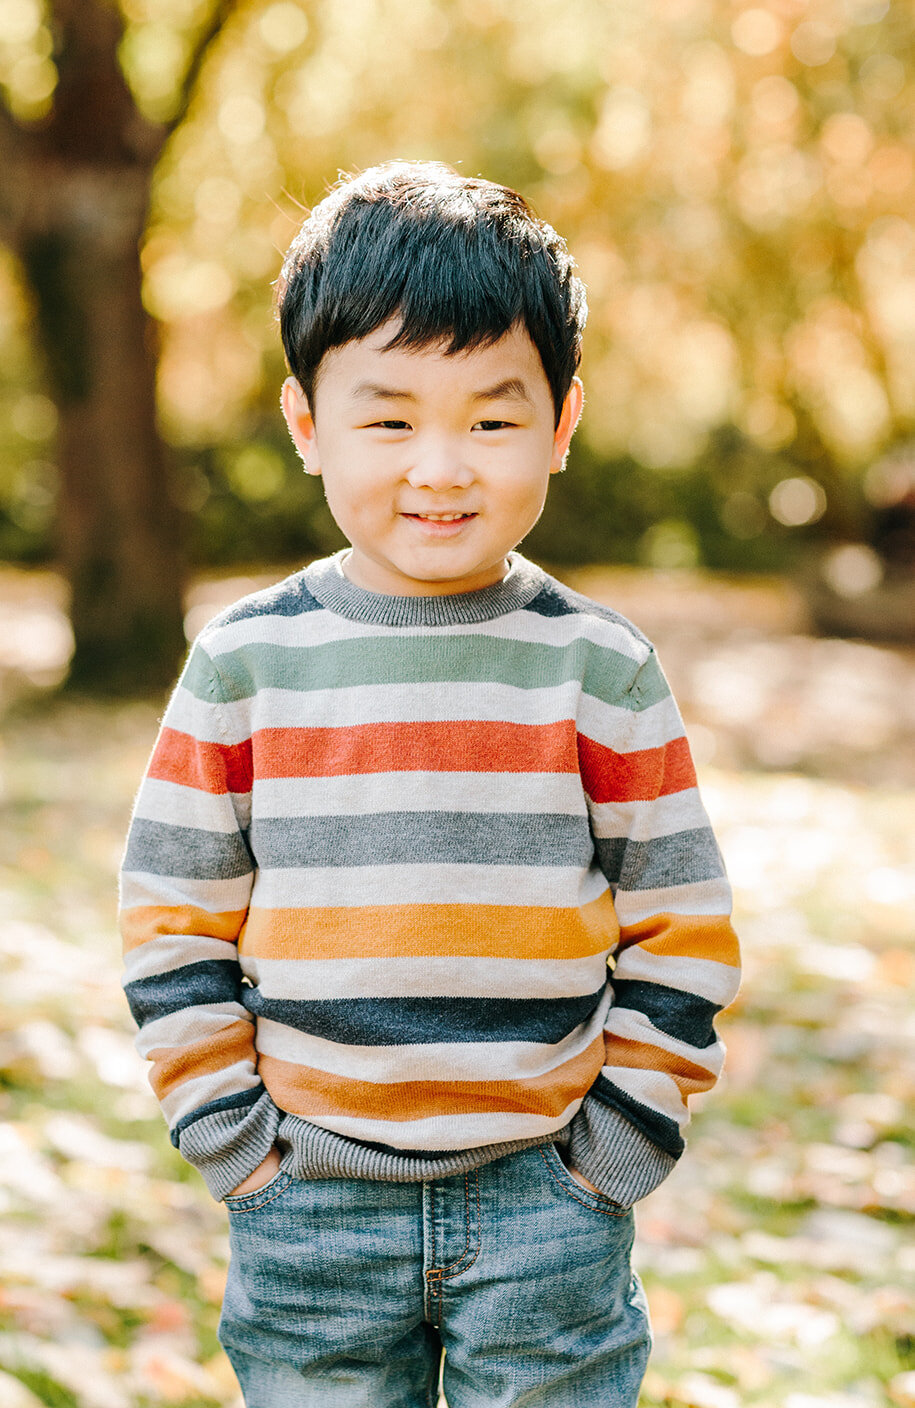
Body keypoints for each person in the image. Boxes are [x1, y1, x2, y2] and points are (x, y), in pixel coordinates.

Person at [118, 160, 741, 1408]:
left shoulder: (596, 669)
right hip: (309, 1200)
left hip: (543, 1198)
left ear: (561, 426)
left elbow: (680, 926)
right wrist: (237, 1145)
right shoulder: (248, 663)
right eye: (389, 418)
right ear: (307, 427)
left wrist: (610, 1153)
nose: (440, 467)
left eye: (491, 419)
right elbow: (172, 914)